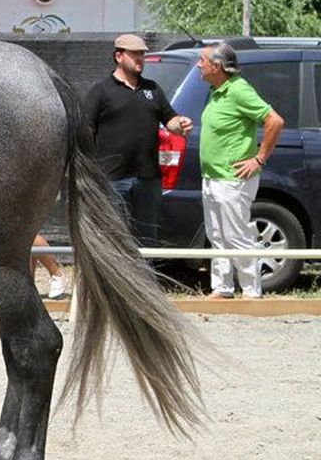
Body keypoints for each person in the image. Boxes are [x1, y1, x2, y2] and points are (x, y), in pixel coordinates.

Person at [82, 32, 193, 246]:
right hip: (112, 178)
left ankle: (145, 278)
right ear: (118, 56)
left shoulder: (152, 89)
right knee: (113, 237)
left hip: (148, 178)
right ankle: (112, 280)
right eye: (134, 54)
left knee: (147, 238)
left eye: (142, 54)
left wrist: (180, 124)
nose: (140, 59)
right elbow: (85, 130)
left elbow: (170, 119)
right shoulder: (101, 91)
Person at [196, 42, 284, 299]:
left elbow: (274, 121)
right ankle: (222, 288)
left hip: (232, 179)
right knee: (216, 235)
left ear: (217, 66)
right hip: (212, 177)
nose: (198, 64)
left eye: (202, 60)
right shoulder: (216, 91)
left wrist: (259, 159)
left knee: (237, 235)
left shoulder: (238, 90)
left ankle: (251, 291)